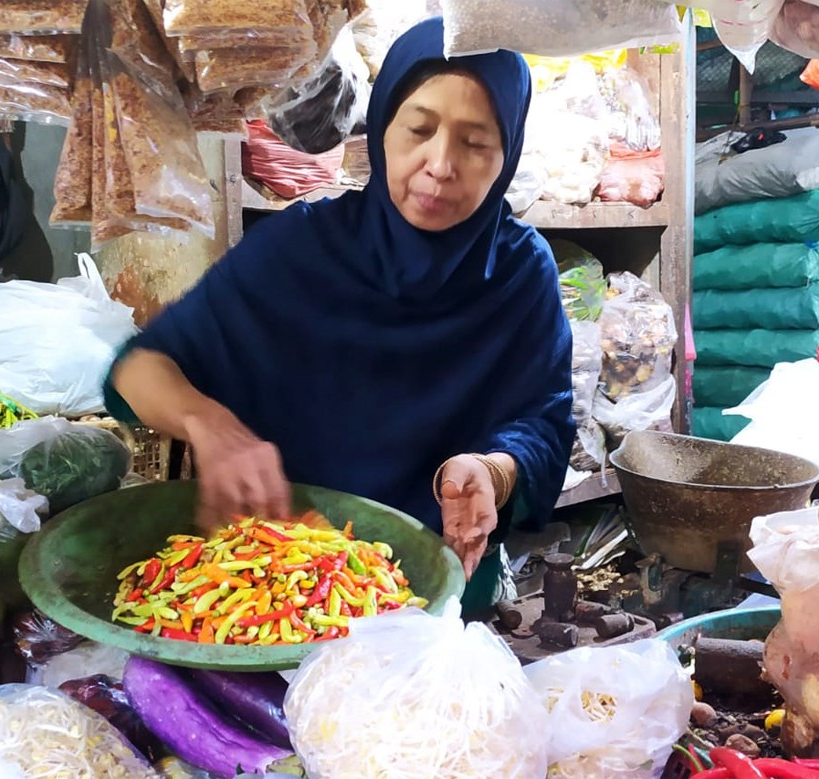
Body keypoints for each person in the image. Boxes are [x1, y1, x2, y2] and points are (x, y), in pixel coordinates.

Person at [104, 16, 573, 612]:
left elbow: (544, 425)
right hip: (272, 584)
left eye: (476, 142)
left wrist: (491, 470)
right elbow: (138, 369)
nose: (440, 164)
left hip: (435, 590)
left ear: (507, 155)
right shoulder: (299, 249)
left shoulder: (519, 272)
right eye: (419, 129)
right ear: (380, 129)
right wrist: (207, 423)